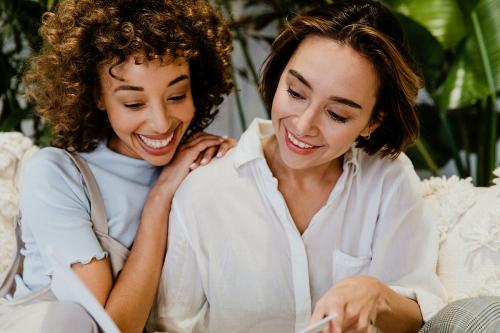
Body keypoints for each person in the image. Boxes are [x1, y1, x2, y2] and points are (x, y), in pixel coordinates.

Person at [148, 1, 447, 332]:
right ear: (279, 77)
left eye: (337, 114)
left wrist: (375, 295)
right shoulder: (203, 192)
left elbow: (419, 313)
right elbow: (170, 324)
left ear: (371, 122)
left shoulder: (387, 179)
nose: (304, 126)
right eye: (295, 92)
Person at [0, 0, 233, 332]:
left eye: (177, 95)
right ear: (96, 95)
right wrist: (160, 197)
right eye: (134, 102)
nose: (160, 122)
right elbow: (108, 326)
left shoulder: (202, 165)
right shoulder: (55, 173)